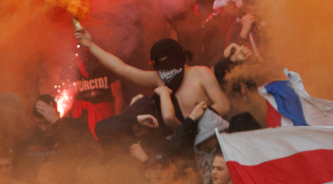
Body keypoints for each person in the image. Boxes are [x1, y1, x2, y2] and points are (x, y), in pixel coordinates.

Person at [73, 30, 230, 121]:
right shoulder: (160, 78)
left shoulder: (201, 73)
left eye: (167, 64)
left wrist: (195, 120)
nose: (165, 71)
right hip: (185, 145)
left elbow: (223, 106)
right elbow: (123, 69)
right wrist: (91, 46)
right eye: (160, 66)